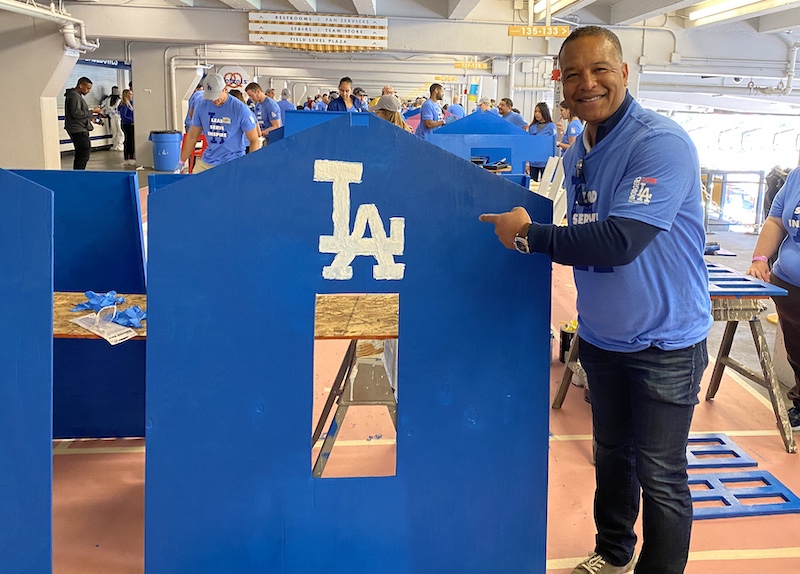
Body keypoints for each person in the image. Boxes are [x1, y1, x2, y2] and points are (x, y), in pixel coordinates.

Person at [479, 26, 711, 574]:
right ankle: (611, 556)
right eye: (574, 74)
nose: (588, 83)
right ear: (560, 85)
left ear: (624, 73)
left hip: (664, 341)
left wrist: (527, 235)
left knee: (660, 473)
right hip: (604, 337)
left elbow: (620, 241)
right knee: (612, 456)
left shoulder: (660, 142)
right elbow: (587, 224)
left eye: (600, 69)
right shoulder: (583, 144)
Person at [747, 169, 800, 430]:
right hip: (789, 286)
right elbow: (776, 221)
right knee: (797, 351)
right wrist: (760, 259)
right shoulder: (796, 178)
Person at [180, 73, 260, 173]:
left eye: (216, 96)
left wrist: (249, 166)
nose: (213, 100)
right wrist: (181, 162)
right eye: (211, 96)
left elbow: (254, 140)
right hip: (207, 161)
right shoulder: (202, 105)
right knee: (193, 186)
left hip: (232, 162)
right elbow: (192, 136)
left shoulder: (239, 109)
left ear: (225, 89)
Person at [64, 76, 101, 170]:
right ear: (80, 85)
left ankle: (78, 172)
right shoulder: (74, 96)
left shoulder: (76, 96)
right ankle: (79, 172)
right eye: (87, 88)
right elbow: (76, 113)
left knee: (81, 152)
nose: (88, 91)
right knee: (84, 151)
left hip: (79, 127)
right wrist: (92, 111)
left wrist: (90, 118)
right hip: (77, 129)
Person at [526, 102, 558, 181]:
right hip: (533, 161)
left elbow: (553, 144)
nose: (537, 114)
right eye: (535, 111)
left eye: (539, 112)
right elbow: (528, 145)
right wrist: (527, 162)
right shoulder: (532, 127)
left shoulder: (551, 126)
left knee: (546, 183)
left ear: (544, 112)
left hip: (546, 161)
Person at [101, 86, 124, 152]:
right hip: (115, 117)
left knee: (118, 131)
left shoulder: (117, 99)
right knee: (116, 131)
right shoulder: (110, 99)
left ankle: (118, 145)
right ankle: (117, 145)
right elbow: (102, 105)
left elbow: (102, 105)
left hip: (116, 117)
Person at [118, 89, 136, 166]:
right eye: (130, 94)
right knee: (128, 141)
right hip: (126, 125)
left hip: (131, 125)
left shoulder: (130, 104)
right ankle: (127, 157)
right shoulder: (123, 105)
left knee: (132, 141)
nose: (131, 96)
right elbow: (123, 116)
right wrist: (131, 120)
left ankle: (132, 156)